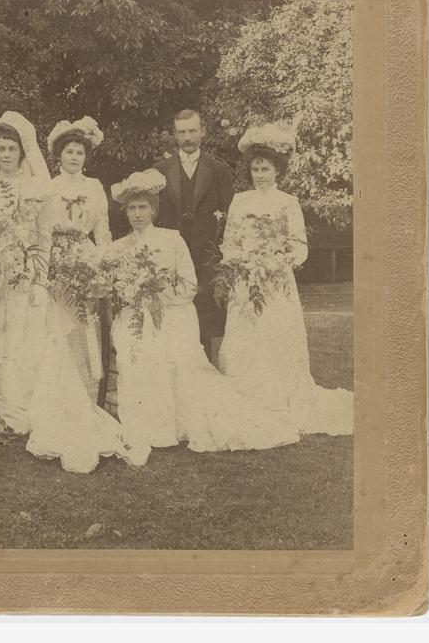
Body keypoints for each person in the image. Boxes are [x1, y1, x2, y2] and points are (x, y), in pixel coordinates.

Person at [107, 169, 296, 461]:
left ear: (154, 210)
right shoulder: (118, 247)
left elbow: (189, 286)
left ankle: (173, 422)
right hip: (135, 316)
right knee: (137, 345)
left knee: (171, 351)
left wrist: (161, 290)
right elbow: (113, 289)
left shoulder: (172, 240)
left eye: (143, 207)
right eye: (131, 208)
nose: (137, 214)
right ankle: (152, 423)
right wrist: (131, 290)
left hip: (170, 313)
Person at [217, 123, 353, 438]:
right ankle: (245, 398)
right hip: (246, 282)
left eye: (265, 168)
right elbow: (230, 242)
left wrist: (277, 262)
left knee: (275, 338)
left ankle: (279, 400)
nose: (260, 174)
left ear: (277, 170)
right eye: (255, 169)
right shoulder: (240, 201)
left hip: (276, 284)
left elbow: (300, 246)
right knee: (246, 339)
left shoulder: (288, 202)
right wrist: (242, 263)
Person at [25, 117, 144, 473]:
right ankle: (61, 401)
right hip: (57, 267)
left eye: (79, 152)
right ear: (58, 156)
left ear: (85, 156)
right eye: (68, 152)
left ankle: (89, 398)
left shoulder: (94, 187)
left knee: (89, 332)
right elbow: (43, 234)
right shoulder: (48, 187)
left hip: (86, 262)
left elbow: (103, 233)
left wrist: (102, 267)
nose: (74, 157)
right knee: (61, 334)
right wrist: (42, 275)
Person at [0, 112, 50, 434]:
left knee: (21, 341)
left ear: (22, 152)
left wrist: (41, 278)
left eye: (11, 149)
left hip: (24, 275)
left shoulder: (36, 188)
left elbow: (43, 236)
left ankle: (18, 410)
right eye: (0, 149)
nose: (5, 155)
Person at [154, 109, 235, 358]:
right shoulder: (160, 170)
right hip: (172, 258)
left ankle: (206, 375)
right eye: (182, 132)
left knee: (205, 322)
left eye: (192, 131)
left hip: (206, 259)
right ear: (175, 136)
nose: (187, 137)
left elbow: (230, 217)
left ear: (203, 132)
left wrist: (219, 257)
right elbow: (153, 217)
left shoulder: (219, 169)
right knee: (172, 319)